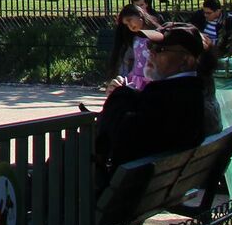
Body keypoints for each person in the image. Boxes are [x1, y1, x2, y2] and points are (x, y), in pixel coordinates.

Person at [95, 24, 224, 181]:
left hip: (133, 187)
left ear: (187, 61)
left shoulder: (169, 98)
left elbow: (121, 145)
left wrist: (120, 96)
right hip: (160, 184)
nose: (150, 53)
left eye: (160, 49)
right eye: (150, 46)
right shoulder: (191, 92)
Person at [106, 4, 162, 93]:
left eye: (130, 20)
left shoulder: (156, 36)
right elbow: (137, 63)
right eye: (127, 24)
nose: (130, 26)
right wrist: (128, 78)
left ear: (140, 14)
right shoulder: (136, 39)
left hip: (153, 79)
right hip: (137, 80)